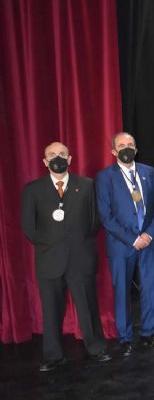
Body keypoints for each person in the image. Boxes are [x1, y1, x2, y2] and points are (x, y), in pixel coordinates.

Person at [21, 142, 111, 371]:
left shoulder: (87, 185)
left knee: (88, 306)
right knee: (51, 310)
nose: (57, 158)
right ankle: (53, 355)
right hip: (49, 260)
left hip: (81, 257)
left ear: (70, 159)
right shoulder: (33, 189)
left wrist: (78, 243)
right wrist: (52, 244)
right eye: (52, 155)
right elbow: (29, 228)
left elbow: (94, 222)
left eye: (62, 154)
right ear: (45, 162)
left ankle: (96, 348)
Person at [95, 132, 154, 356]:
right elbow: (106, 216)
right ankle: (124, 337)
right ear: (113, 151)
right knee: (122, 291)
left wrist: (149, 235)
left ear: (136, 149)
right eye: (121, 145)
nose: (126, 148)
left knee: (150, 288)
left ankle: (148, 332)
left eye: (130, 145)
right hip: (121, 245)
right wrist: (133, 239)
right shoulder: (104, 177)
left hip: (148, 242)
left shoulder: (148, 172)